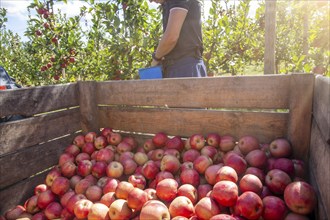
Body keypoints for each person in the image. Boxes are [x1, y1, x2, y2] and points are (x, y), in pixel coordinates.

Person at [149, 0, 207, 78]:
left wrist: (156, 58)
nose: (150, 1)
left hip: (185, 68)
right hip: (180, 67)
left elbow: (171, 37)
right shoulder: (169, 4)